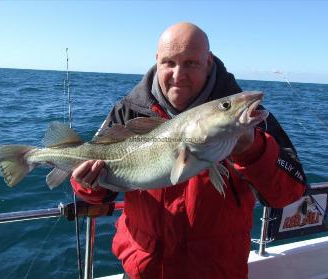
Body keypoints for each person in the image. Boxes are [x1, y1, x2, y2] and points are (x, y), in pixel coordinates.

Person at [71, 22, 306, 279]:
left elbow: (290, 192)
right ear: (157, 61)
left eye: (191, 63)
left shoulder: (243, 117)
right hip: (143, 271)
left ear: (209, 61)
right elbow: (95, 192)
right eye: (169, 62)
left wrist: (252, 149)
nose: (178, 74)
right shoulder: (127, 112)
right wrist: (88, 184)